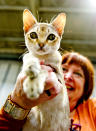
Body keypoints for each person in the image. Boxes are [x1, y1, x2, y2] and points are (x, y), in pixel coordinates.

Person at [0, 52, 96, 131]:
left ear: (86, 87)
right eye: (63, 69)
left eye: (77, 74)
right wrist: (19, 102)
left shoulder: (91, 109)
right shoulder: (32, 104)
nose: (67, 76)